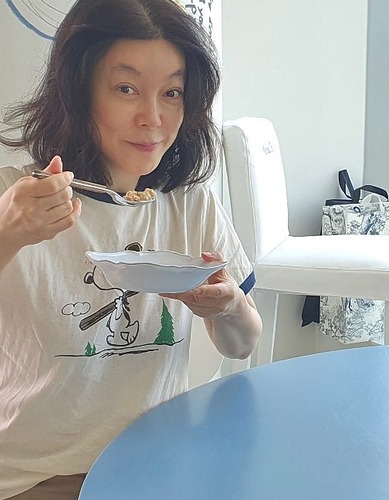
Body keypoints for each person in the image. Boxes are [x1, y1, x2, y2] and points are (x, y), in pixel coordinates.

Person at [0, 0, 262, 498]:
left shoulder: (190, 204)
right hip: (39, 478)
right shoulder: (16, 197)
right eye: (126, 89)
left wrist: (228, 307)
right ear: (78, 92)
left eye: (172, 93)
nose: (152, 118)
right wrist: (6, 233)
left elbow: (243, 343)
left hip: (158, 466)